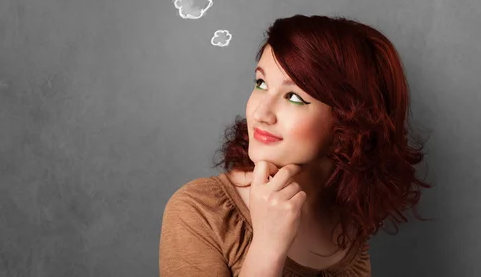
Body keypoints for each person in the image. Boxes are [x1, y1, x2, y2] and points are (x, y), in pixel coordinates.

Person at [159, 14, 434, 276]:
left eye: (293, 96)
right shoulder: (199, 211)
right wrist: (268, 246)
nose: (261, 113)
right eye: (261, 83)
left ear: (349, 123)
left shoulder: (346, 221)